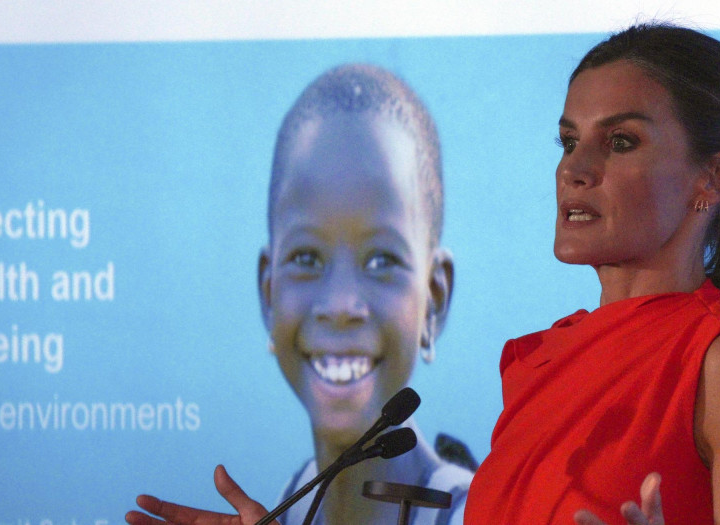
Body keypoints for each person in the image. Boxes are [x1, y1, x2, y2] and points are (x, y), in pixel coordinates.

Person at [462, 23, 720, 524]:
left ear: (716, 176)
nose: (573, 169)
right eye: (568, 141)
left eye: (620, 141)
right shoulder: (544, 360)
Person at [126, 63, 472, 525]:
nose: (341, 306)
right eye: (307, 258)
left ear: (435, 298)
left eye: (381, 260)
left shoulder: (479, 511)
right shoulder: (293, 500)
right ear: (269, 293)